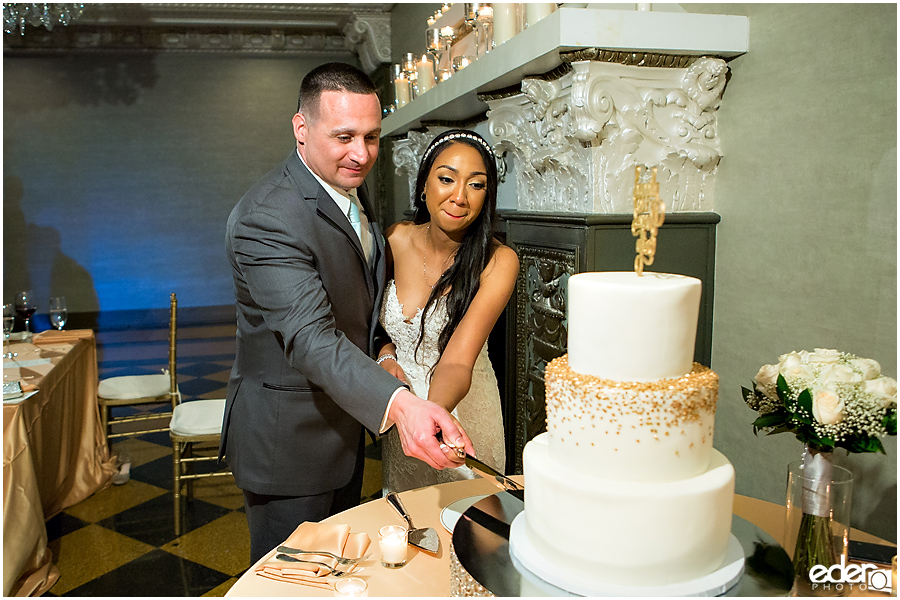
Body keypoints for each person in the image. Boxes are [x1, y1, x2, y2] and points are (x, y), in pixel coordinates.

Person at [222, 63, 473, 564]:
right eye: (344, 137)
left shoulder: (348, 196)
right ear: (301, 128)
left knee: (336, 576)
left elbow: (359, 305)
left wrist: (381, 352)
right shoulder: (268, 217)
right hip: (287, 447)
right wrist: (402, 405)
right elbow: (311, 337)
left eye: (372, 137)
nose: (361, 154)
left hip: (342, 434)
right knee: (292, 585)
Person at [376, 129, 519, 493]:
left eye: (476, 185)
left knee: (472, 533)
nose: (459, 196)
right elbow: (370, 324)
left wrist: (431, 417)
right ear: (424, 185)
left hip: (459, 414)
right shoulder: (394, 240)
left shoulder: (498, 261)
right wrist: (384, 356)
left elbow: (457, 361)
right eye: (446, 179)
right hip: (403, 412)